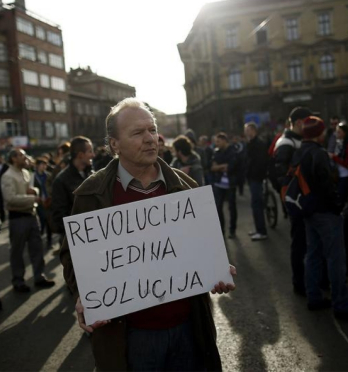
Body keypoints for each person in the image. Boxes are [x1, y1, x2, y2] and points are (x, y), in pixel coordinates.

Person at [60, 98, 236, 371]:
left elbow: (200, 245)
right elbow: (71, 254)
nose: (150, 139)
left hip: (188, 328)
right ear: (114, 144)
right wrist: (82, 294)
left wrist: (215, 267)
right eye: (137, 133)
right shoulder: (92, 193)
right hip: (130, 336)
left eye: (152, 130)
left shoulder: (185, 186)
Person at [292, 116, 348, 323]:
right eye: (324, 131)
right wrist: (337, 206)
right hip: (325, 211)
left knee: (313, 254)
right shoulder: (318, 153)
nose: (327, 134)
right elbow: (326, 184)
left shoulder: (300, 151)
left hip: (308, 211)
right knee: (336, 258)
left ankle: (314, 297)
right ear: (318, 133)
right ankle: (342, 305)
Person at [1, 148, 55, 292]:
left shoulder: (25, 173)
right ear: (13, 158)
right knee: (17, 251)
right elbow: (10, 199)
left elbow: (32, 189)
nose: (26, 158)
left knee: (37, 248)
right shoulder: (8, 176)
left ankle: (39, 276)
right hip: (18, 217)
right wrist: (33, 197)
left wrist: (34, 193)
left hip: (31, 215)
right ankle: (18, 281)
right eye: (22, 156)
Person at [274, 106, 311, 295]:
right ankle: (300, 283)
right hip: (298, 201)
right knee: (299, 242)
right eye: (308, 120)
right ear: (298, 122)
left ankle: (309, 280)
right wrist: (290, 198)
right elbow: (280, 174)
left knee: (306, 241)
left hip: (304, 200)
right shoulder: (287, 142)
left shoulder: (296, 139)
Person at [51, 136, 94, 242]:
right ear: (80, 155)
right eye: (90, 151)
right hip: (76, 240)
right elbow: (59, 216)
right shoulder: (61, 180)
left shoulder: (92, 175)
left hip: (95, 236)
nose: (93, 155)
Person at [244, 122, 268, 241]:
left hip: (256, 178)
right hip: (252, 177)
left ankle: (262, 231)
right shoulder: (251, 143)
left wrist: (256, 175)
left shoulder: (258, 144)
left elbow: (260, 162)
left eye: (248, 130)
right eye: (246, 130)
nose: (246, 132)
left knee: (257, 204)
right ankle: (258, 229)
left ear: (254, 131)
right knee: (255, 204)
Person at [211, 132, 238, 239]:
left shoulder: (232, 151)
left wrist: (219, 166)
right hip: (219, 184)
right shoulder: (216, 152)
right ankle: (221, 231)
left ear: (224, 140)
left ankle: (232, 230)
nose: (216, 144)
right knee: (218, 207)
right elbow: (212, 167)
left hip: (230, 183)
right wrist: (222, 166)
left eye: (218, 141)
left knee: (232, 207)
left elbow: (231, 166)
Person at [328, 123, 348, 206]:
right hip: (340, 174)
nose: (337, 134)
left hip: (347, 175)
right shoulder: (340, 143)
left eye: (339, 132)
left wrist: (334, 157)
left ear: (345, 133)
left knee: (343, 197)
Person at [33, 157, 53, 249]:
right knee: (41, 221)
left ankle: (49, 241)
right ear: (37, 166)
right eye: (42, 164)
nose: (44, 166)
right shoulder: (33, 177)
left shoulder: (48, 175)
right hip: (39, 201)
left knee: (49, 222)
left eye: (45, 164)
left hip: (48, 201)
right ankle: (38, 240)